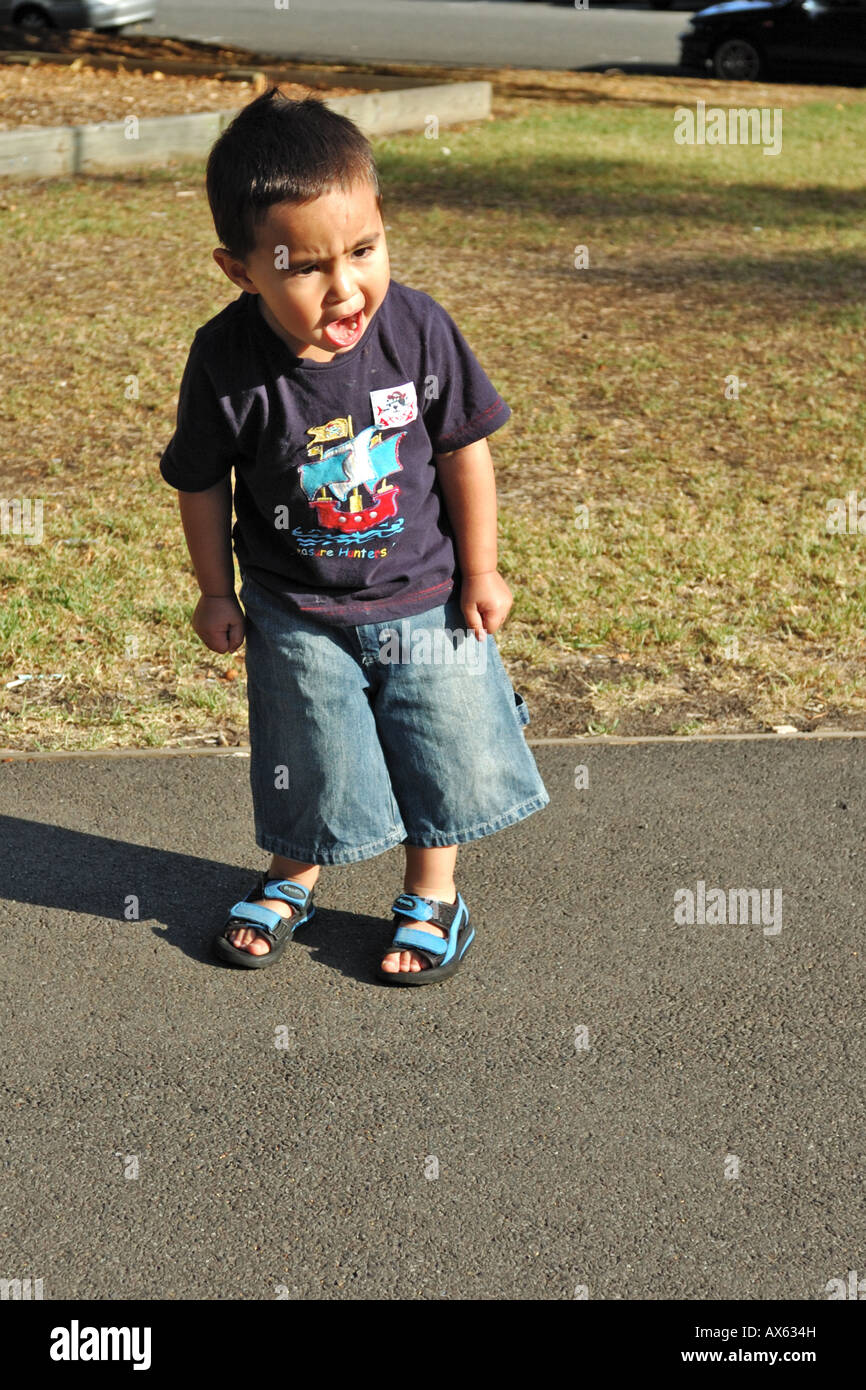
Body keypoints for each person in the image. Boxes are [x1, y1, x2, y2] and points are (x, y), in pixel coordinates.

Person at [159, 88, 550, 985]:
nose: (346, 287)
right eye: (304, 267)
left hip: (427, 593)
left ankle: (433, 896)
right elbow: (199, 481)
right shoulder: (225, 361)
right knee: (311, 752)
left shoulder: (417, 328)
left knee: (438, 747)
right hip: (296, 608)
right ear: (240, 269)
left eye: (365, 250)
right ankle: (295, 874)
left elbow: (463, 450)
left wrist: (482, 570)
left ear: (383, 230)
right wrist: (216, 590)